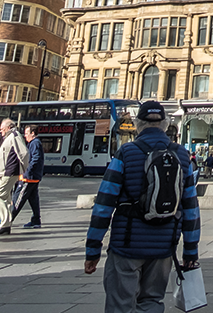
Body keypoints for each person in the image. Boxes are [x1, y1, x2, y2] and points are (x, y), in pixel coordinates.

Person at [84, 100, 199, 312]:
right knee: (152, 302)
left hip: (127, 244)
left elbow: (104, 203)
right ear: (165, 124)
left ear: (138, 124)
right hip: (164, 246)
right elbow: (191, 207)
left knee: (120, 303)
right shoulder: (182, 155)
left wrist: (93, 249)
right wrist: (191, 252)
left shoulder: (126, 153)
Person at [0, 118, 27, 236]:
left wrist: (24, 169)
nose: (1, 131)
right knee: (6, 198)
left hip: (10, 172)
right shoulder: (9, 136)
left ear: (8, 127)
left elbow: (24, 153)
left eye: (2, 129)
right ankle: (6, 225)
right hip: (6, 172)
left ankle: (5, 224)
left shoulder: (14, 135)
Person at [11, 125, 44, 228]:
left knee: (18, 198)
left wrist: (26, 172)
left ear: (32, 133)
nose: (25, 136)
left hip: (29, 177)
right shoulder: (35, 143)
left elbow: (35, 158)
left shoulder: (34, 143)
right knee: (33, 200)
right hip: (34, 177)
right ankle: (36, 220)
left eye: (26, 133)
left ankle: (8, 219)